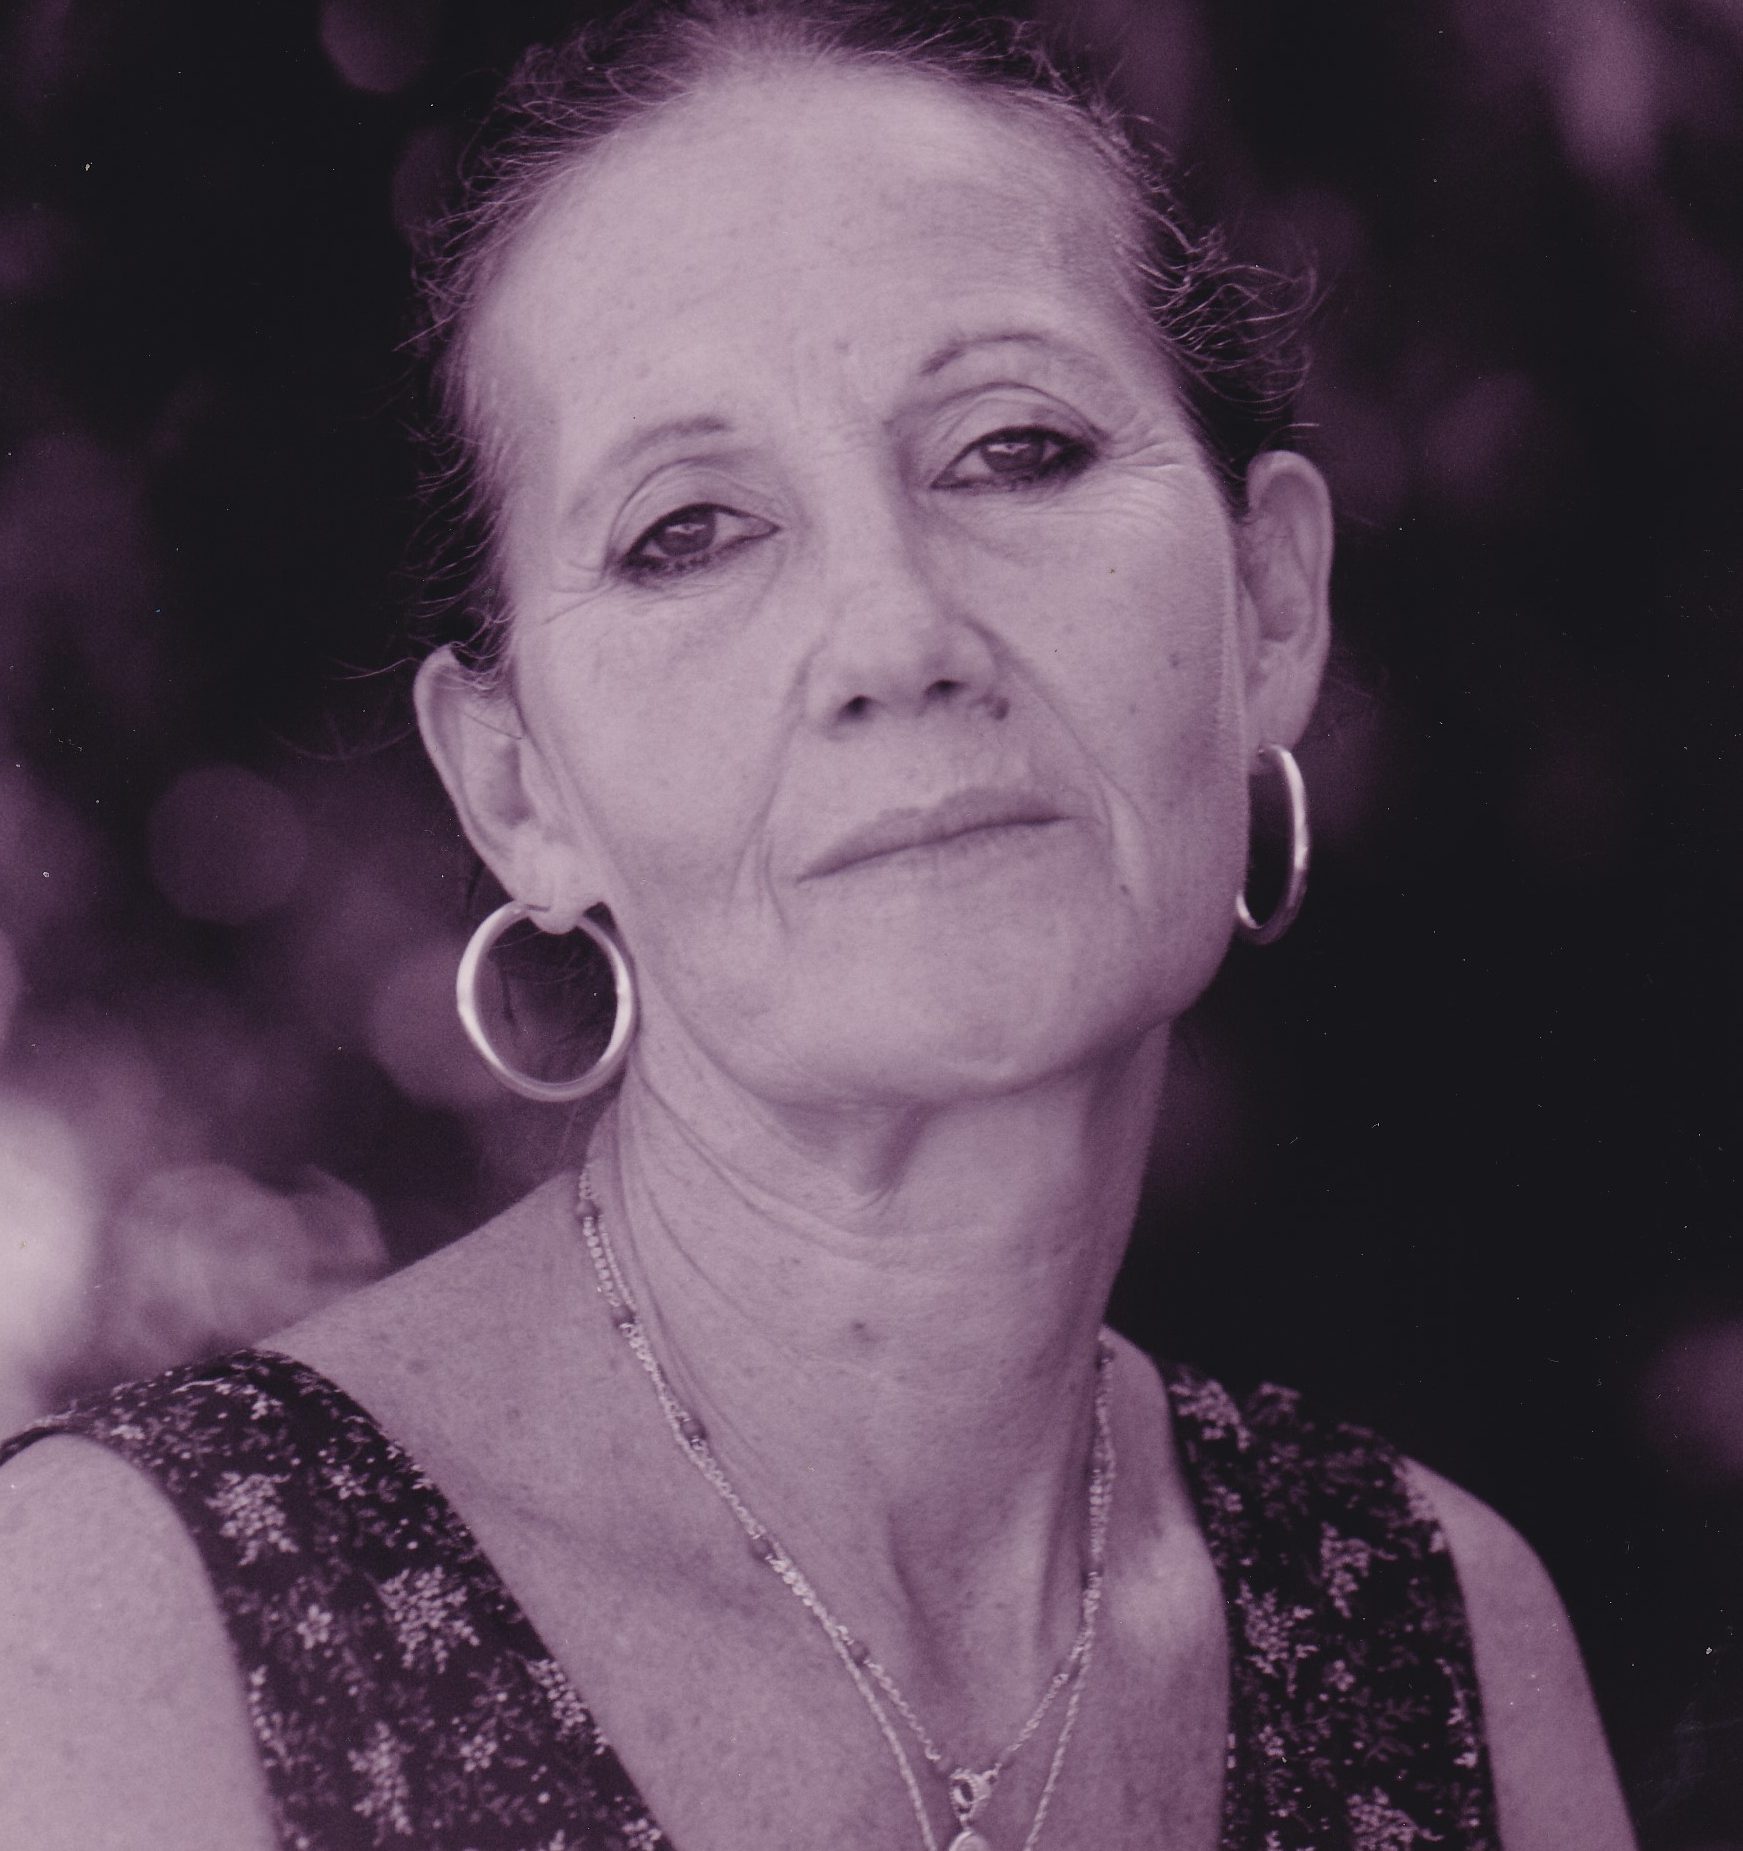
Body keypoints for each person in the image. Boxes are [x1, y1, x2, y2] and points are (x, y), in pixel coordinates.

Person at [0, 2, 1637, 1846]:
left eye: (1013, 449)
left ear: (1270, 601)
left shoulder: (1443, 1644)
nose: (894, 635)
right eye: (689, 531)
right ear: (518, 789)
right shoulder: (121, 1633)